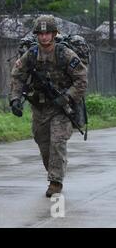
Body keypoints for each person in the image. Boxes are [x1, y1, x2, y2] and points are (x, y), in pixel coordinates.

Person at [9, 15, 88, 197]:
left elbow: (81, 79)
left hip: (61, 108)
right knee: (43, 144)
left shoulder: (65, 54)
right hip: (39, 107)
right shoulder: (32, 54)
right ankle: (54, 172)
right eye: (41, 33)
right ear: (37, 35)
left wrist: (67, 97)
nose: (44, 37)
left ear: (54, 34)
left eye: (48, 33)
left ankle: (55, 182)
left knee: (57, 143)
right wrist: (15, 99)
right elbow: (17, 76)